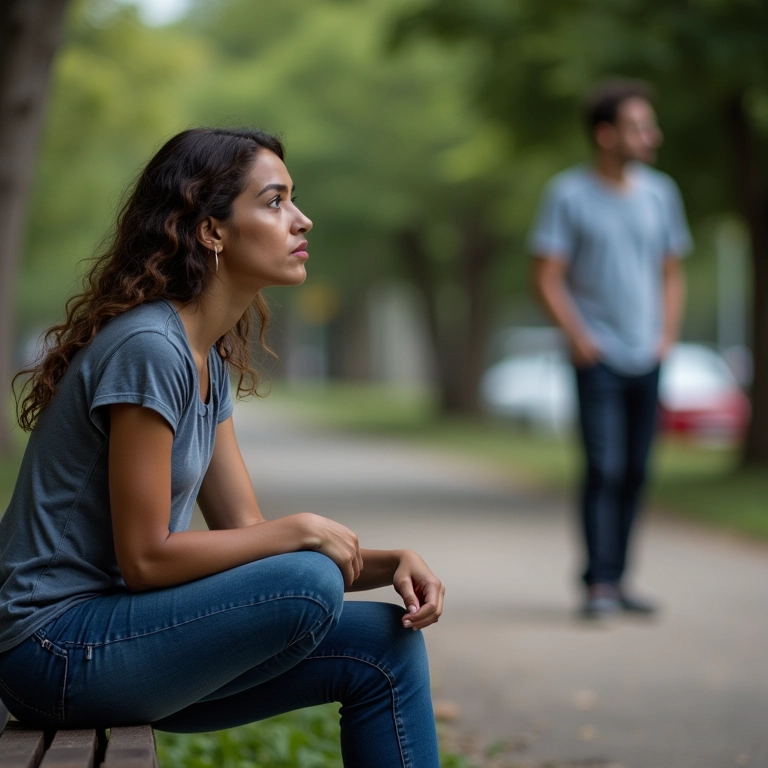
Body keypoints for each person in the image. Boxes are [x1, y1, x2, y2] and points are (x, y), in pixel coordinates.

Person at [0, 127, 445, 767]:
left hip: (123, 635)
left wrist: (389, 561)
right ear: (211, 230)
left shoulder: (204, 361)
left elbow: (243, 535)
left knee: (385, 644)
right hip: (54, 649)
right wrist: (301, 534)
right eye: (274, 202)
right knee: (306, 577)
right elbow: (148, 558)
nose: (301, 218)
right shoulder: (150, 348)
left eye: (292, 200)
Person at [529, 80, 692, 619]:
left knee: (638, 470)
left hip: (648, 354)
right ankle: (597, 583)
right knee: (605, 467)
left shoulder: (661, 193)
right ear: (605, 135)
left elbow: (672, 271)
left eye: (650, 124)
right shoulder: (568, 195)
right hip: (597, 356)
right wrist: (580, 338)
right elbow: (547, 275)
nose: (652, 135)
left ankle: (618, 580)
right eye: (638, 126)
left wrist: (666, 336)